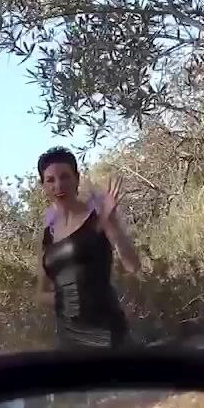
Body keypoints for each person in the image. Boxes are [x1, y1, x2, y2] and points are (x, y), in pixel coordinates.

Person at [38, 146, 142, 349]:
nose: (58, 185)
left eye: (65, 177)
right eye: (50, 180)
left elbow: (133, 265)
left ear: (77, 178)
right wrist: (66, 300)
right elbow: (41, 292)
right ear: (43, 186)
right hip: (68, 339)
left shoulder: (98, 218)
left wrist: (112, 223)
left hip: (107, 333)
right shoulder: (47, 234)